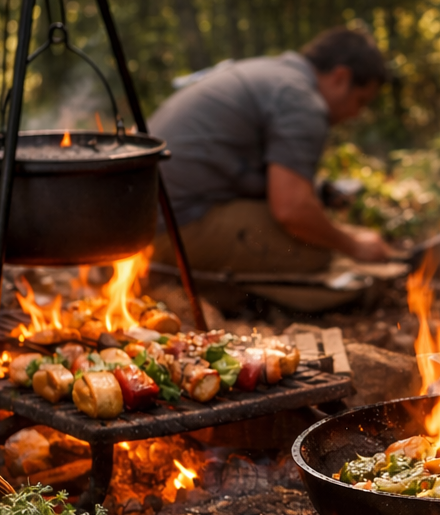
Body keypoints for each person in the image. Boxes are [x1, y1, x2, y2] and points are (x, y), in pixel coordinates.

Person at [149, 27, 392, 311]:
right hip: (170, 227)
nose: (356, 114)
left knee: (323, 232)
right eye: (360, 100)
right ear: (341, 77)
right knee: (315, 252)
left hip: (144, 220)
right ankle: (190, 289)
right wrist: (355, 246)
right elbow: (292, 210)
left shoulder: (271, 74)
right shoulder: (301, 100)